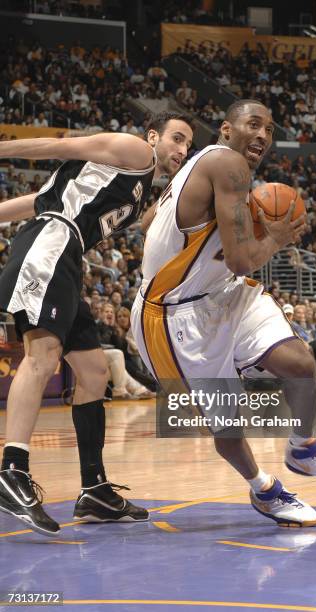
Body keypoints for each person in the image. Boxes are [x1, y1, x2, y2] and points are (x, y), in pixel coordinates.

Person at [131, 99, 316, 529]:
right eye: (253, 124)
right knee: (227, 423)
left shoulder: (201, 167)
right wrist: (273, 237)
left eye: (269, 130)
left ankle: (302, 446)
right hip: (174, 316)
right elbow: (241, 260)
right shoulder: (228, 165)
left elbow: (150, 226)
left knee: (298, 362)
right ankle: (263, 488)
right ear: (225, 128)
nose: (262, 135)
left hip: (224, 293)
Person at [0, 111, 194, 535]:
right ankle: (11, 471)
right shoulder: (133, 149)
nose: (181, 150)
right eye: (176, 139)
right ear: (152, 135)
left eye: (188, 146)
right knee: (42, 354)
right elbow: (57, 146)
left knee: (94, 371)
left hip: (66, 253)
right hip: (50, 243)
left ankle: (93, 490)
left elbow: (37, 199)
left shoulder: (139, 186)